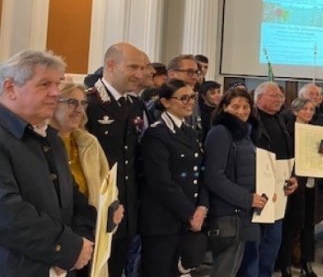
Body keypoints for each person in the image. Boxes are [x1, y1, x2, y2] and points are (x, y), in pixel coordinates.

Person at [0, 50, 96, 275]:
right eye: (44, 84)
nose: (56, 93)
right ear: (10, 88)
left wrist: (83, 239)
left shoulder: (50, 136)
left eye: (57, 83)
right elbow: (7, 212)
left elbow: (72, 197)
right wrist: (66, 248)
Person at [85, 42, 146, 277]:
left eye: (142, 68)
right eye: (133, 67)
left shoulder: (135, 105)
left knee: (119, 265)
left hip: (127, 205)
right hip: (96, 207)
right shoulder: (90, 103)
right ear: (111, 65)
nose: (139, 74)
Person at [138, 79, 209, 276]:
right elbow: (161, 182)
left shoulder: (189, 132)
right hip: (163, 221)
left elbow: (200, 172)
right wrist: (190, 213)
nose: (189, 102)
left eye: (192, 98)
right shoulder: (157, 134)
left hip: (187, 220)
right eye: (183, 98)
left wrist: (202, 207)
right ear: (166, 102)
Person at [239, 81, 298, 277]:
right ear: (258, 97)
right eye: (273, 95)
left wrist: (293, 177)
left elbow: (286, 155)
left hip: (279, 193)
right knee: (254, 244)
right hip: (256, 192)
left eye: (280, 96)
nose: (279, 99)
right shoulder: (250, 121)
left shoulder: (280, 120)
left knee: (273, 242)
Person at [204, 87, 263, 277]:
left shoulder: (246, 134)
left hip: (243, 214)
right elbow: (214, 176)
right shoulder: (220, 132)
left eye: (246, 106)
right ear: (224, 107)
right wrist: (246, 199)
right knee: (222, 270)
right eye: (236, 106)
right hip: (227, 215)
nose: (242, 111)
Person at [277, 98, 323, 277]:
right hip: (293, 183)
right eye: (305, 109)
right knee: (290, 226)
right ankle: (285, 264)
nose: (309, 112)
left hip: (311, 183)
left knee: (309, 225)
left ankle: (306, 263)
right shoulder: (287, 130)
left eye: (311, 109)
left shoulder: (317, 130)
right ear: (295, 111)